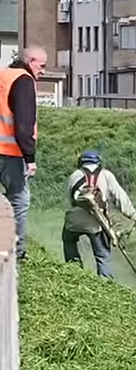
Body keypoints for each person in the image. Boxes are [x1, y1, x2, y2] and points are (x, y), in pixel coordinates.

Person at [62, 150, 136, 278]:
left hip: (74, 220)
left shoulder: (74, 175)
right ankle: (105, 280)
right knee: (102, 256)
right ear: (98, 162)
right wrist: (135, 216)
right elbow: (120, 197)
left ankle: (74, 272)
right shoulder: (106, 175)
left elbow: (70, 199)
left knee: (68, 240)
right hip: (97, 221)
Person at [0, 47, 45, 262]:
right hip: (10, 152)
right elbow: (23, 124)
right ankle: (15, 251)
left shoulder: (3, 75)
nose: (43, 71)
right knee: (19, 199)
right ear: (30, 61)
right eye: (41, 65)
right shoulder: (24, 80)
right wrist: (30, 157)